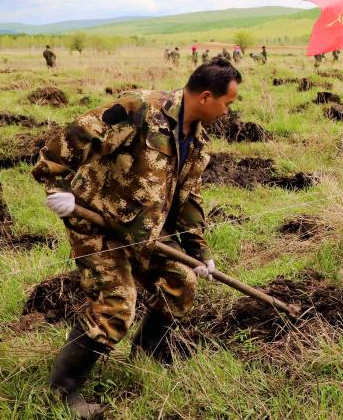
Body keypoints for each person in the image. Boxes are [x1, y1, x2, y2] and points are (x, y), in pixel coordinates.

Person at [32, 58, 241, 418]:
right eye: (228, 103)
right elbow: (78, 132)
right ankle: (62, 393)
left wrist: (200, 251)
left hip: (141, 232)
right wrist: (57, 185)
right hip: (96, 224)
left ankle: (147, 355)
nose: (228, 111)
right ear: (207, 96)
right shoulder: (140, 109)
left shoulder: (198, 141)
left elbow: (188, 199)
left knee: (181, 282)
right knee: (116, 308)